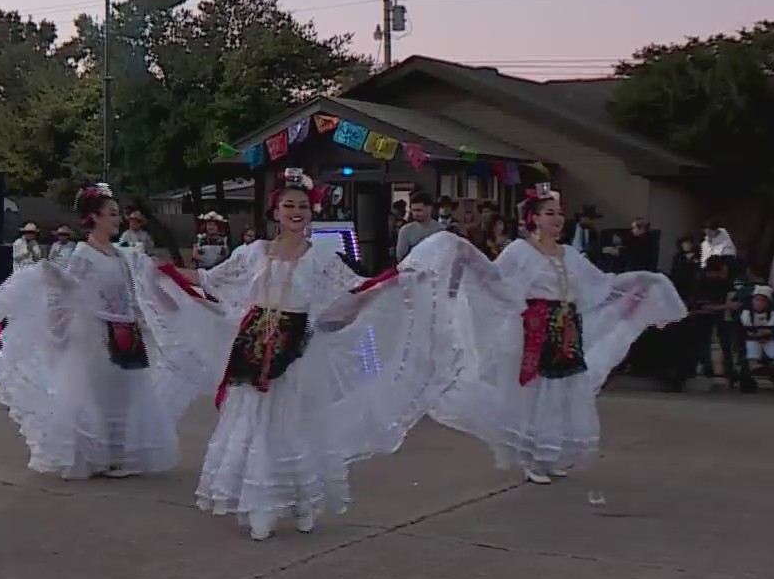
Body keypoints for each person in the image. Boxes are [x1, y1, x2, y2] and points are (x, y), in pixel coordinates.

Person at [129, 168, 504, 540]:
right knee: (257, 422)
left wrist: (392, 286)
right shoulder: (253, 253)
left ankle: (302, 501)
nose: (296, 211)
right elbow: (212, 281)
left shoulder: (322, 256)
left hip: (299, 350)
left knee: (296, 424)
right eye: (289, 205)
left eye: (303, 206)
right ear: (275, 211)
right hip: (254, 347)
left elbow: (352, 294)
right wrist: (159, 271)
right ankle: (261, 503)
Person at [436, 184, 684, 484]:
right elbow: (496, 282)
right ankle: (530, 457)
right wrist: (467, 264)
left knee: (562, 393)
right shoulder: (519, 251)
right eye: (549, 213)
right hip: (535, 327)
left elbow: (600, 284)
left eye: (559, 213)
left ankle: (549, 455)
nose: (557, 219)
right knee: (533, 392)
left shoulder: (568, 253)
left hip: (565, 325)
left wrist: (637, 283)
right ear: (534, 218)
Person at [0, 184, 202, 480]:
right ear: (94, 218)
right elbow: (68, 292)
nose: (118, 219)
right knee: (96, 395)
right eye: (111, 214)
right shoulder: (83, 254)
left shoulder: (122, 254)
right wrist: (56, 315)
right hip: (95, 333)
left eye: (118, 214)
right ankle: (95, 455)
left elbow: (136, 288)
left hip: (125, 330)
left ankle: (118, 455)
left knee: (125, 394)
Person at [394, 191, 445, 261]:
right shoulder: (406, 230)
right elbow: (400, 257)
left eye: (419, 210)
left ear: (429, 209)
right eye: (413, 210)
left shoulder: (440, 230)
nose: (415, 214)